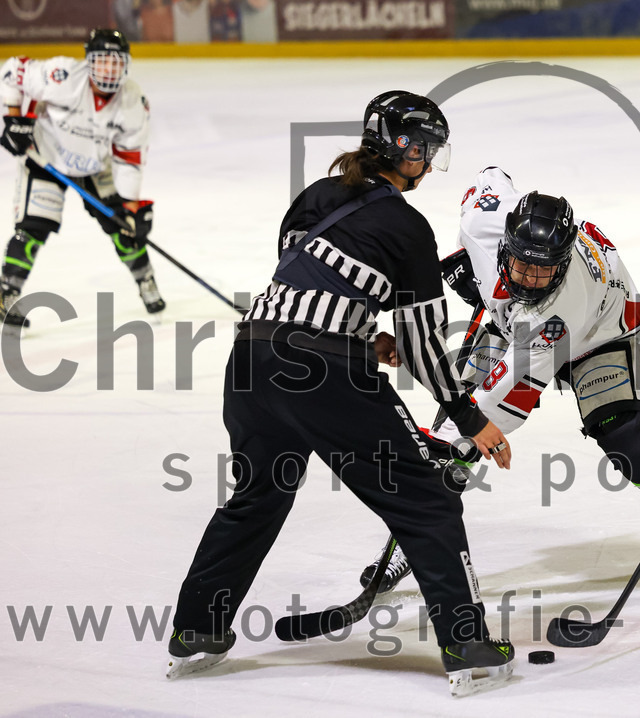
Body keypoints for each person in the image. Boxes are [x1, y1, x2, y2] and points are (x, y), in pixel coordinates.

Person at [167, 92, 515, 697]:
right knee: (428, 502)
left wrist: (356, 337)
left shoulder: (315, 197)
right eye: (426, 151)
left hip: (252, 358)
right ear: (402, 149)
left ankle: (198, 628)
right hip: (323, 376)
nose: (430, 164)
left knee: (258, 494)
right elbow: (426, 344)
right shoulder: (408, 227)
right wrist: (469, 416)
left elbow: (305, 275)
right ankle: (468, 644)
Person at [362, 166, 640, 596]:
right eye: (521, 265)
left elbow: (497, 396)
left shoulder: (557, 309)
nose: (531, 280)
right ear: (505, 242)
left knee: (627, 440)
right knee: (458, 425)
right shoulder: (482, 220)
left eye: (544, 271)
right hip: (515, 328)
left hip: (603, 334)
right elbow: (491, 177)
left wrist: (456, 428)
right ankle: (415, 536)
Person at [0, 29, 162, 332]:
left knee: (123, 228)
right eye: (102, 62)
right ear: (88, 62)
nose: (109, 70)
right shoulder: (61, 76)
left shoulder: (133, 101)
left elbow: (130, 159)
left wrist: (129, 206)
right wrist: (13, 119)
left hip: (93, 165)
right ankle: (6, 292)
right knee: (33, 229)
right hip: (44, 158)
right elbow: (12, 70)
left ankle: (146, 279)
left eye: (116, 63)